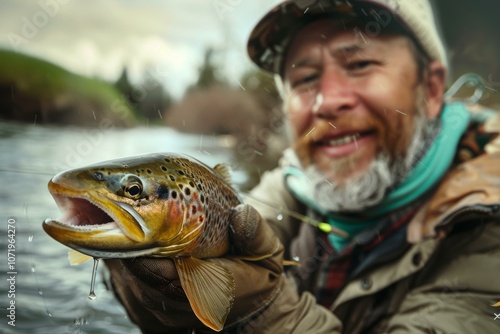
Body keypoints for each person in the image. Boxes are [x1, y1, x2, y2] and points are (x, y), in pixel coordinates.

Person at [104, 0, 500, 332]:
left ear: (430, 90)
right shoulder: (288, 189)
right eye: (306, 78)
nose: (325, 102)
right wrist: (147, 286)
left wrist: (259, 309)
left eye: (359, 64)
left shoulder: (489, 224)